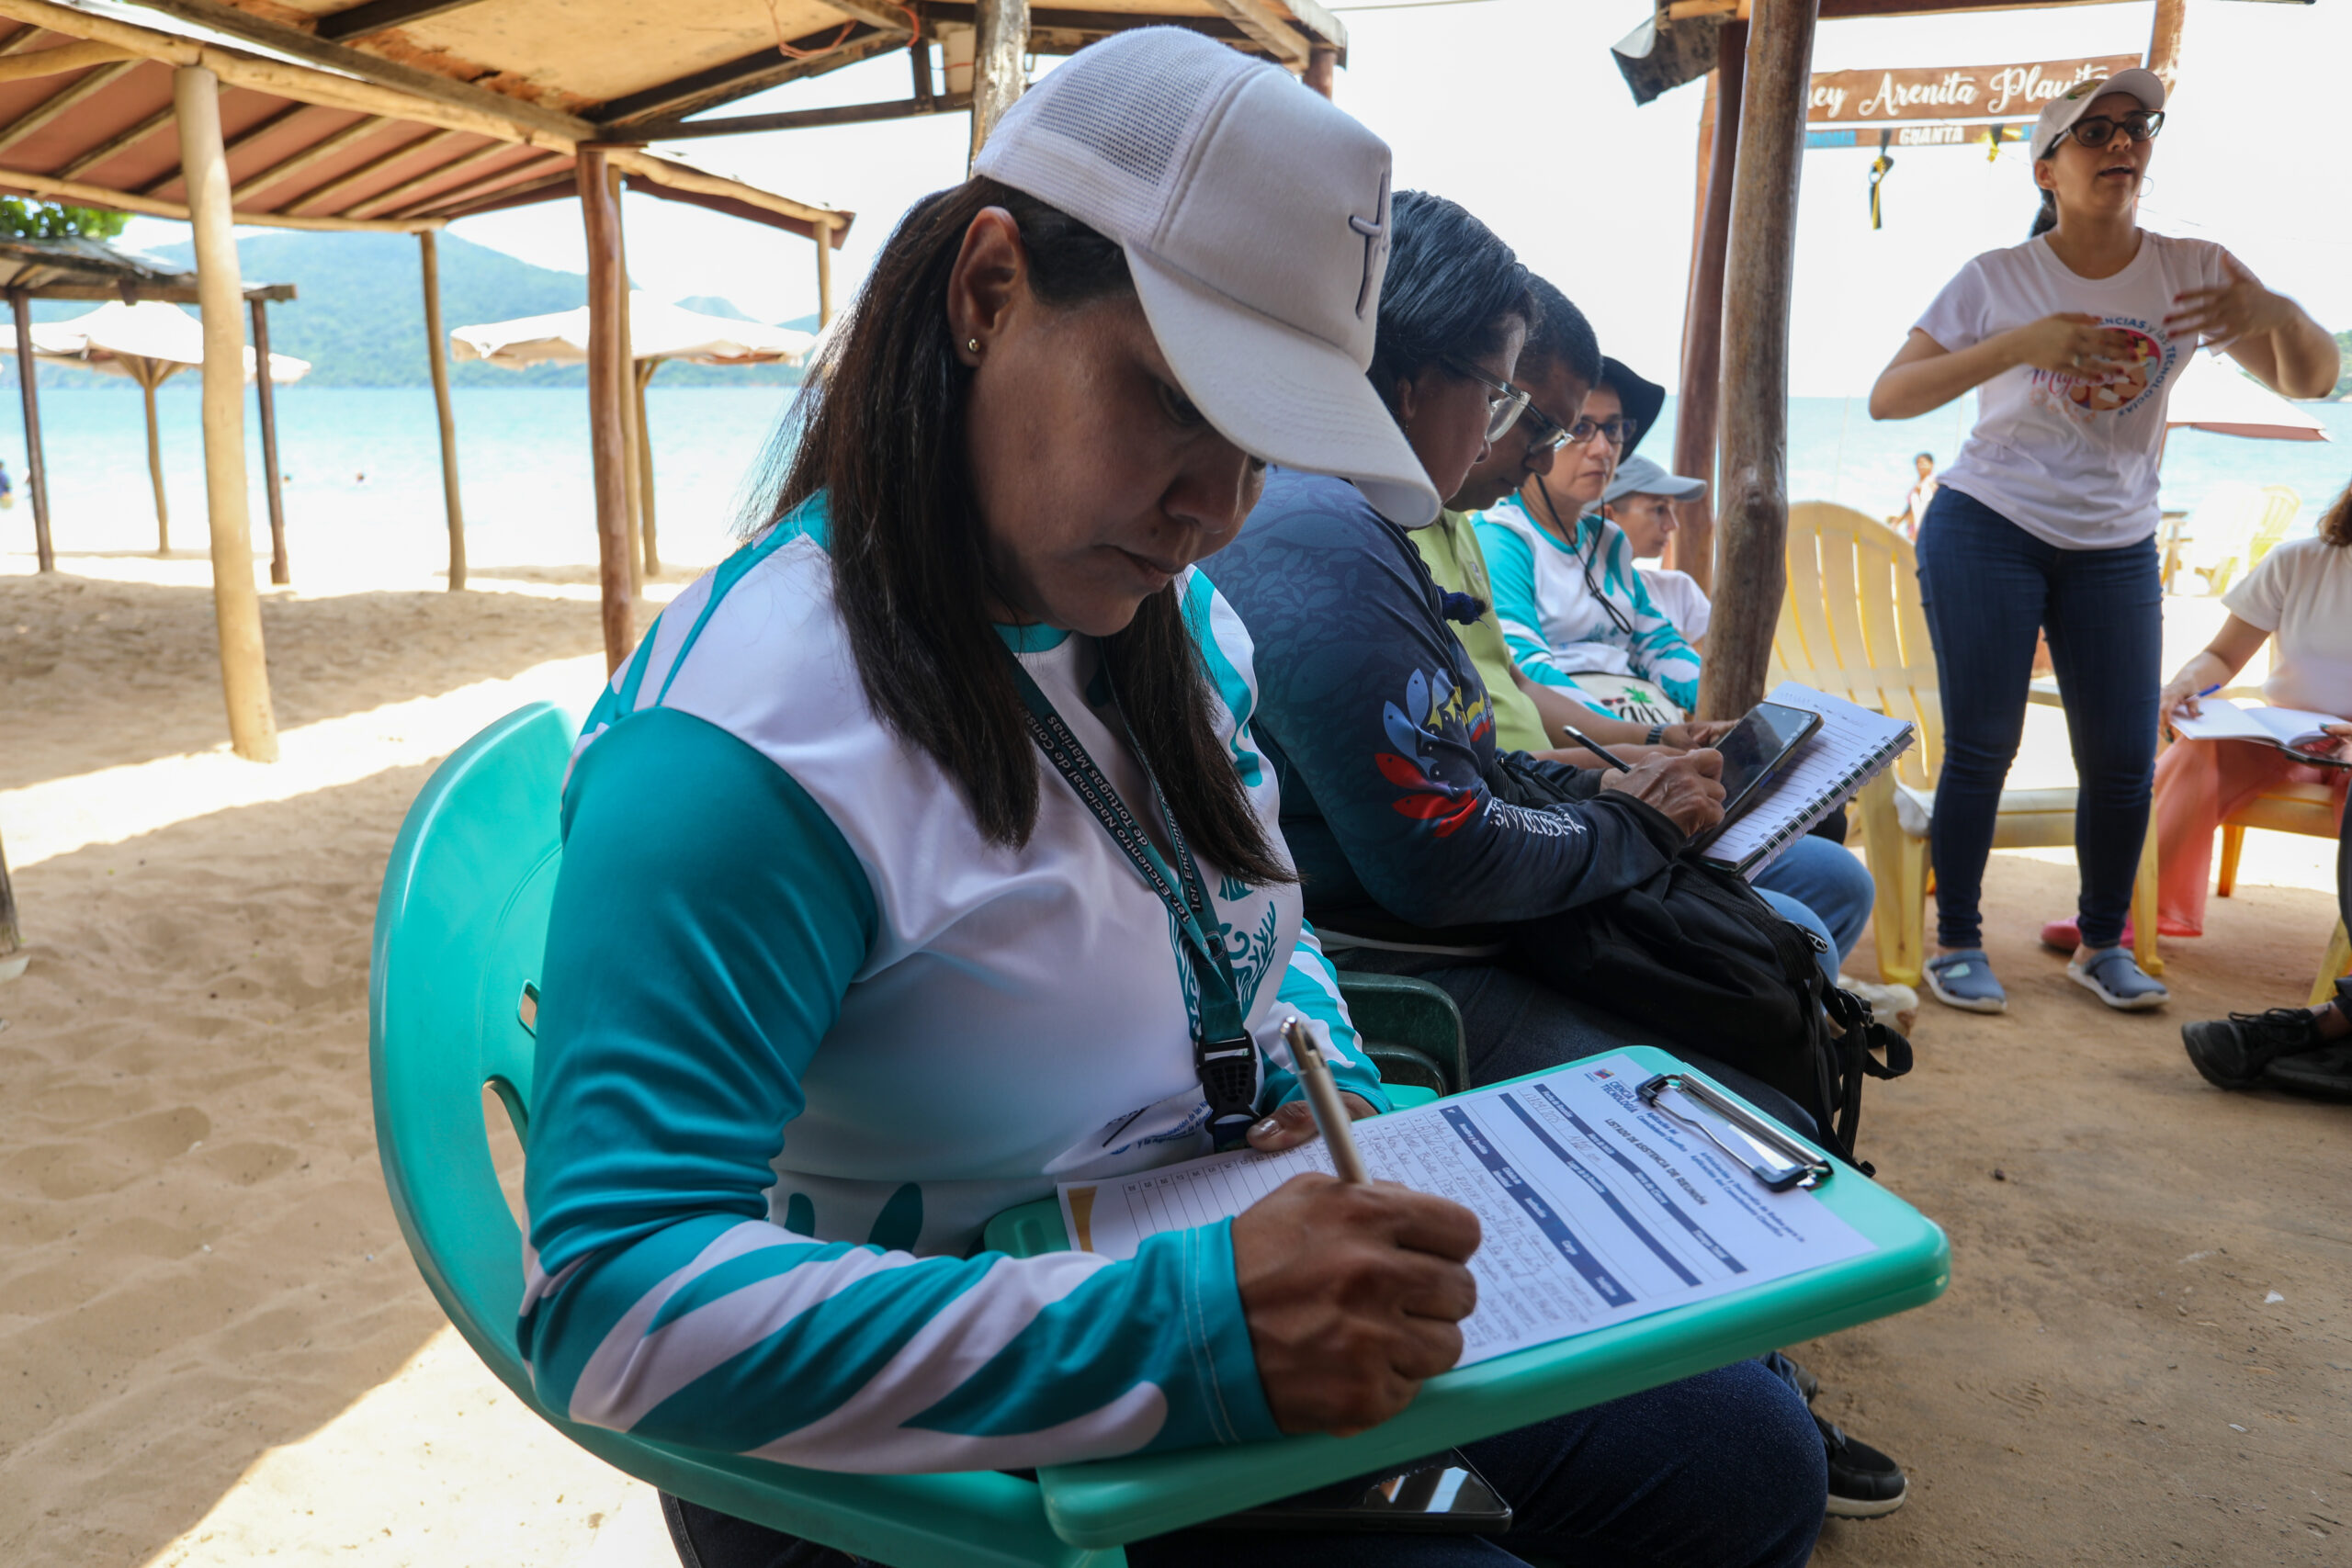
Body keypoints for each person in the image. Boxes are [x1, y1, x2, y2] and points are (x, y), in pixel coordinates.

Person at [520, 33, 1826, 1568]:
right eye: (1171, 400)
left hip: (1187, 1254)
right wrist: (1186, 1326)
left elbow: (1261, 924)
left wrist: (1352, 1120)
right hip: (929, 1472)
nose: (1214, 504)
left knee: (1742, 1456)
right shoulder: (753, 748)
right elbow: (610, 1307)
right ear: (987, 292)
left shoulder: (1164, 619)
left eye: (1265, 446)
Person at [1199, 192, 1903, 1523]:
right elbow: (1438, 850)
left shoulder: (1345, 519)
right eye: (1500, 392)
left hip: (1396, 933)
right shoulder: (1320, 535)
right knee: (1739, 1109)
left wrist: (1608, 798)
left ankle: (1733, 1384)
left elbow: (1459, 764)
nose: (1513, 428)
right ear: (1414, 377)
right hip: (1394, 958)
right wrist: (1633, 824)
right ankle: (1725, 1401)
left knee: (1758, 1040)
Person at [1865, 67, 2338, 1017]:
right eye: (2094, 132)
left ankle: (2100, 942)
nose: (2121, 143)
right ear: (2046, 168)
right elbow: (1890, 397)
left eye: (2136, 127)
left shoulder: (2191, 267)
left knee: (2122, 755)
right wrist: (2014, 346)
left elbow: (2311, 380)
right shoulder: (1999, 279)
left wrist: (2278, 313)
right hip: (1988, 523)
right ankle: (1958, 935)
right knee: (1984, 744)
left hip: (2115, 540)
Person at [2043, 479, 2352, 953]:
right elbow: (2224, 658)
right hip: (2288, 733)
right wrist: (2184, 684)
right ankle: (2127, 909)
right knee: (2200, 748)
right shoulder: (2300, 561)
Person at [1476, 358, 1700, 729]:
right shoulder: (1503, 537)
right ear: (1541, 434)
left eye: (1613, 429)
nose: (1603, 449)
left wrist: (1737, 711)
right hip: (1578, 743)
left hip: (1639, 725)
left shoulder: (1609, 541)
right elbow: (1526, 671)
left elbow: (1659, 644)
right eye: (1580, 428)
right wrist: (1644, 739)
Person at [1602, 452, 1712, 648]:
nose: (1672, 525)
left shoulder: (1680, 590)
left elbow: (1713, 672)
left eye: (1671, 511)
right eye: (1659, 509)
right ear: (1609, 515)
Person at [1894, 451, 1937, 539]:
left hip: (1926, 527)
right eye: (1918, 463)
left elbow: (1933, 502)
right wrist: (1898, 521)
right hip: (1912, 528)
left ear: (1931, 464)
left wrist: (1921, 491)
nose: (1920, 466)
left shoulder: (1933, 483)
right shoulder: (1917, 484)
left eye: (1924, 463)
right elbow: (1910, 507)